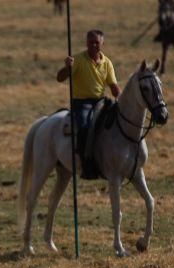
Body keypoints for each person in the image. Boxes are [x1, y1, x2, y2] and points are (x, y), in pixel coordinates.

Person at [56, 30, 121, 179]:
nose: (93, 45)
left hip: (100, 102)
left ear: (102, 43)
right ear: (86, 43)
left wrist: (122, 99)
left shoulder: (107, 62)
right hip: (82, 103)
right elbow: (60, 78)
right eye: (90, 42)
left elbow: (114, 87)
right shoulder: (77, 60)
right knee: (85, 126)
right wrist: (67, 68)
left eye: (97, 42)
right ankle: (85, 161)